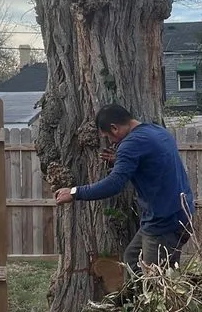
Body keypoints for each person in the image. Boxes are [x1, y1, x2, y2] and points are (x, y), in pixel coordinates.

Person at [55, 104, 194, 272]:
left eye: (108, 136)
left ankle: (147, 296)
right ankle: (134, 297)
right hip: (181, 212)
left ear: (114, 128)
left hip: (164, 222)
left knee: (155, 281)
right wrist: (124, 162)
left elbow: (114, 184)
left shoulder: (131, 144)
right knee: (132, 259)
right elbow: (153, 161)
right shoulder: (157, 131)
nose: (111, 142)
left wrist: (74, 192)